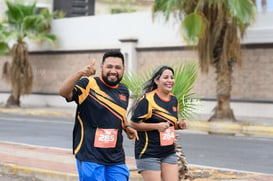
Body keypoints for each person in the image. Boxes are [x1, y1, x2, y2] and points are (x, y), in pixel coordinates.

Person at [59, 50, 138, 181]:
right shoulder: (89, 84)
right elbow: (63, 92)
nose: (113, 71)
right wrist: (80, 74)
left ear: (123, 69)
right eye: (109, 66)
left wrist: (126, 127)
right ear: (102, 67)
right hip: (90, 155)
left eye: (118, 67)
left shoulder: (123, 90)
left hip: (115, 156)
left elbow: (120, 113)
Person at [129, 65, 187, 181]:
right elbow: (134, 123)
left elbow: (169, 124)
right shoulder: (147, 100)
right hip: (148, 153)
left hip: (168, 152)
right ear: (156, 80)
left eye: (171, 77)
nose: (170, 80)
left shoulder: (174, 100)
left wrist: (179, 125)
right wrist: (156, 126)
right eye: (166, 77)